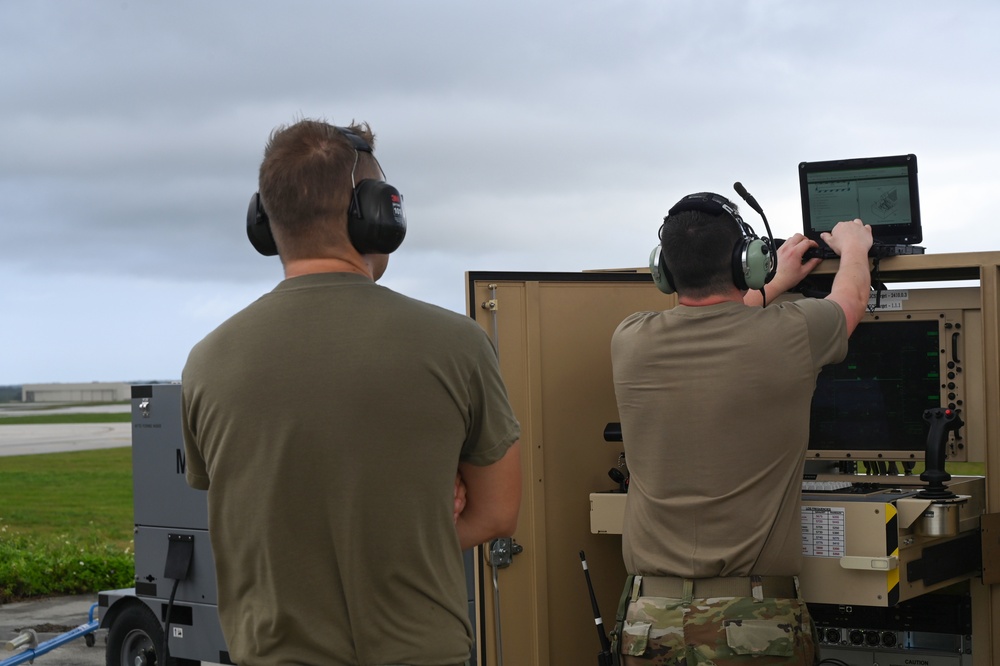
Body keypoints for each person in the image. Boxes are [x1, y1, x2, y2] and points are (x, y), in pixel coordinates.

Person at [181, 119, 522, 666]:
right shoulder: (458, 345)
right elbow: (499, 513)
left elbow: (253, 515)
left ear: (265, 222)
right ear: (377, 213)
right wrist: (417, 521)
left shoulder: (207, 362)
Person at [610, 192, 872, 665]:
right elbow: (851, 298)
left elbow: (715, 317)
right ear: (746, 264)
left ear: (662, 272)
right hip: (752, 625)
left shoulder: (629, 339)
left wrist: (776, 282)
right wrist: (854, 247)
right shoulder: (794, 332)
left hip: (649, 624)